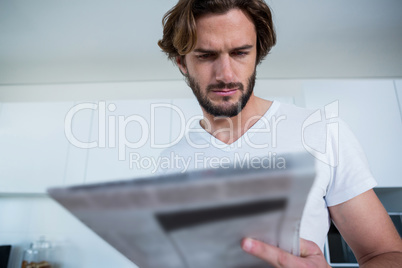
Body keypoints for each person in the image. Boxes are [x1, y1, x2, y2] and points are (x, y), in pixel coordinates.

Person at [157, 0, 402, 267]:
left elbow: (388, 254)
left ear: (257, 54)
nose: (225, 75)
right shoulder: (170, 162)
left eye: (240, 53)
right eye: (206, 55)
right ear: (182, 63)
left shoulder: (322, 132)